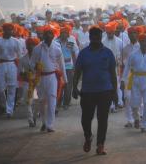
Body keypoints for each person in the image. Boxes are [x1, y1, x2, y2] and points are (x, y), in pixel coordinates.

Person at [72, 26, 118, 155]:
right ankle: (88, 137)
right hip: (87, 92)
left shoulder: (108, 53)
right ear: (90, 38)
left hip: (105, 91)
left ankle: (100, 144)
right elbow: (77, 72)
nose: (96, 39)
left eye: (98, 37)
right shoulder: (83, 53)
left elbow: (113, 74)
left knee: (103, 119)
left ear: (100, 37)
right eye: (93, 37)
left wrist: (115, 92)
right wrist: (74, 87)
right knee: (86, 119)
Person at [31, 26, 67, 132]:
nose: (48, 36)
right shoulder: (37, 48)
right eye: (46, 33)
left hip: (52, 77)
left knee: (52, 99)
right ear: (43, 35)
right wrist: (35, 67)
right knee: (41, 101)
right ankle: (44, 122)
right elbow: (31, 63)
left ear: (53, 35)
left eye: (51, 34)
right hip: (40, 77)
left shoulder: (57, 48)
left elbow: (62, 64)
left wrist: (65, 79)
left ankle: (50, 125)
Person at [0, 23, 23, 117]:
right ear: (4, 30)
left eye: (11, 30)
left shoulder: (16, 41)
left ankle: (9, 110)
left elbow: (20, 55)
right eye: (7, 30)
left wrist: (22, 68)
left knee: (12, 87)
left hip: (12, 65)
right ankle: (4, 105)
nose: (9, 32)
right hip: (0, 65)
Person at [18, 37, 40, 127]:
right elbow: (20, 72)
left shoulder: (39, 58)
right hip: (27, 82)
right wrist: (25, 76)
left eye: (33, 45)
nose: (31, 46)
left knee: (37, 100)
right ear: (26, 46)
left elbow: (41, 70)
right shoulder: (22, 59)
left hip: (38, 81)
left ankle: (35, 115)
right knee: (28, 101)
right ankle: (30, 119)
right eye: (29, 45)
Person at [56, 26, 79, 109]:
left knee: (68, 85)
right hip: (58, 67)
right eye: (62, 33)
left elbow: (75, 52)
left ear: (68, 34)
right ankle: (58, 102)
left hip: (69, 66)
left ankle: (66, 102)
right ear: (60, 34)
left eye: (66, 33)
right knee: (59, 85)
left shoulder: (70, 42)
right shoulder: (56, 42)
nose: (64, 35)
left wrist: (77, 65)